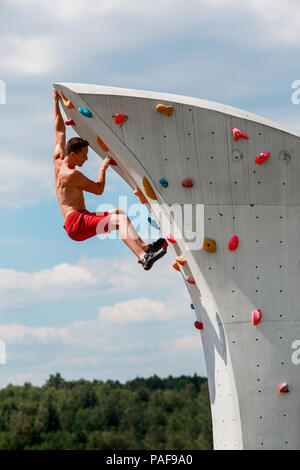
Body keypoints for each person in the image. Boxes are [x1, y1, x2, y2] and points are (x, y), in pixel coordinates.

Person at [52, 89, 166, 270]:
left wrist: (55, 102)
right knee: (119, 221)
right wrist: (103, 169)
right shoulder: (72, 175)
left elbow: (59, 129)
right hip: (77, 224)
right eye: (83, 156)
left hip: (78, 219)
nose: (86, 159)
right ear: (73, 155)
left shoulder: (58, 159)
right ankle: (143, 257)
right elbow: (98, 189)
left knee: (120, 213)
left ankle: (144, 246)